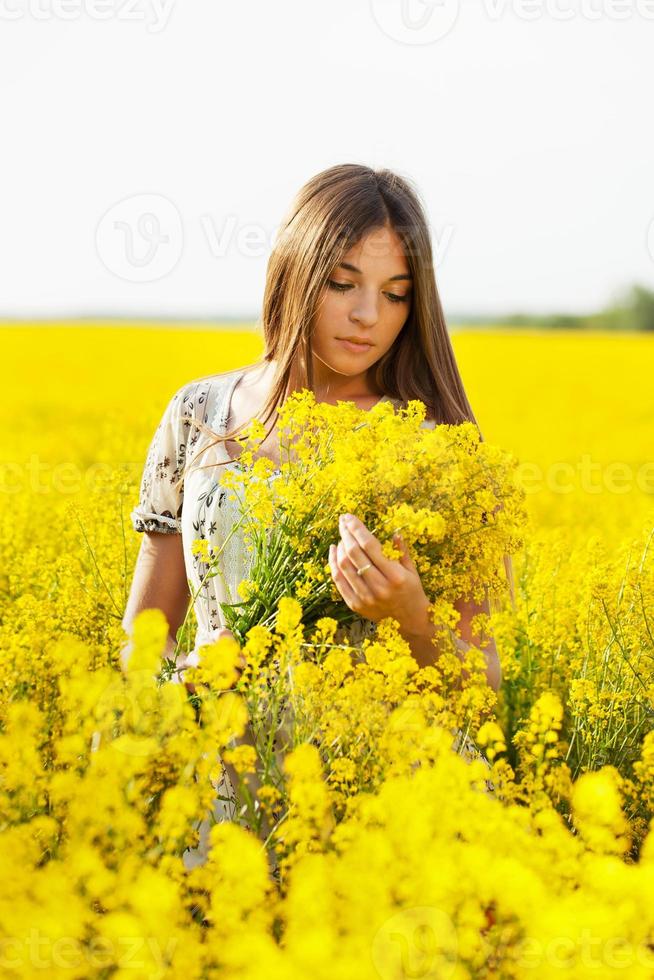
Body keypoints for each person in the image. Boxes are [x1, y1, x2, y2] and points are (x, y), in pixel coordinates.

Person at [121, 164, 508, 866]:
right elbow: (144, 635)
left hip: (383, 801)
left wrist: (412, 617)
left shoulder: (435, 450)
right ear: (294, 271)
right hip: (217, 784)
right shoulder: (198, 415)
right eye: (342, 283)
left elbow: (482, 686)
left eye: (396, 295)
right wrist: (157, 710)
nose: (369, 316)